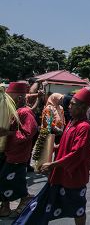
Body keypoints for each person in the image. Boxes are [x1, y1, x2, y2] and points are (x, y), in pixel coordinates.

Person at [13, 87, 90, 225]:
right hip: (61, 173)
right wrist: (53, 147)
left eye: (73, 104)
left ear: (82, 108)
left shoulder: (84, 127)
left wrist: (53, 164)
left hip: (74, 176)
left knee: (78, 209)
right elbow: (66, 144)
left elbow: (77, 153)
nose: (69, 106)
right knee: (49, 204)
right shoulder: (71, 122)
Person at [0, 82, 38, 218]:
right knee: (4, 180)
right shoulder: (15, 110)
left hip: (18, 155)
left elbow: (28, 133)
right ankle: (5, 208)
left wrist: (7, 133)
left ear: (20, 98)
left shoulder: (25, 112)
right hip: (10, 153)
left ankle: (25, 198)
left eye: (10, 98)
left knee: (11, 181)